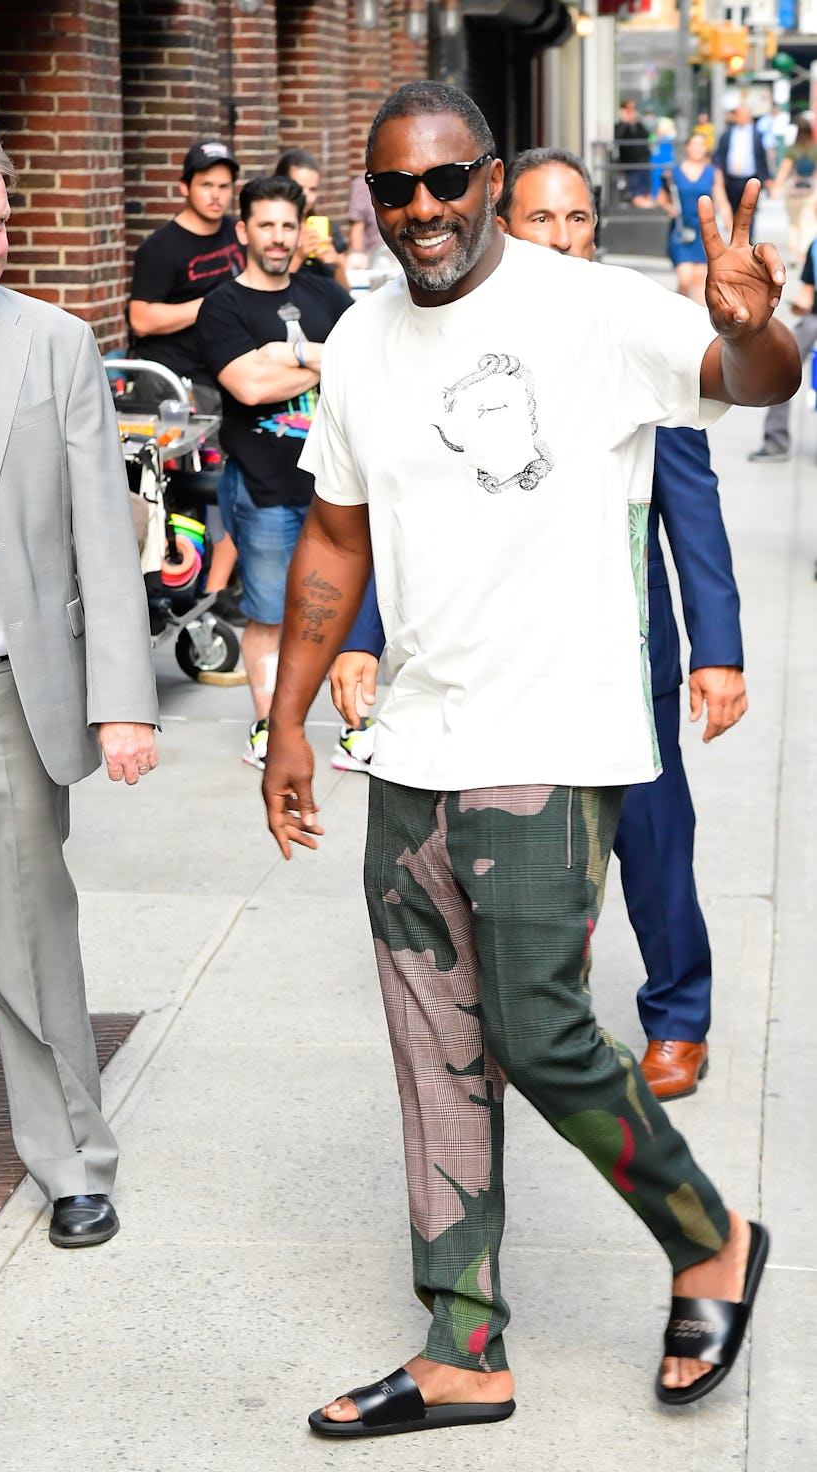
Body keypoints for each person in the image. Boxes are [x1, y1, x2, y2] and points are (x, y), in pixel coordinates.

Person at [263, 81, 798, 1436]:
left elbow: (742, 380)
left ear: (491, 180)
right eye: (396, 190)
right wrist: (284, 719)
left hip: (553, 743)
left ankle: (712, 1240)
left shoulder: (590, 309)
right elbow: (334, 533)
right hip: (415, 748)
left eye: (448, 182)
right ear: (369, 204)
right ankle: (463, 1346)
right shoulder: (361, 337)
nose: (424, 210)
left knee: (542, 1032)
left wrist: (761, 328)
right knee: (432, 1046)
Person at [332, 145, 747, 1103]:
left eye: (578, 220)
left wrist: (716, 652)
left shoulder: (632, 330)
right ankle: (539, 1018)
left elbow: (695, 506)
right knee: (520, 873)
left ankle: (678, 1016)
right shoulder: (432, 336)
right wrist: (360, 637)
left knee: (652, 849)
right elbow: (395, 515)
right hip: (490, 674)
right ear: (502, 225)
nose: (561, 237)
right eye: (540, 221)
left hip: (615, 656)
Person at [0, 136, 159, 1248]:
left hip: (8, 687)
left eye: (0, 217)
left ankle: (70, 1157)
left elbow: (105, 526)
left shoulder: (53, 344)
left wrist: (125, 696)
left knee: (25, 929)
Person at [195, 175, 351, 768]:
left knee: (339, 610)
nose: (278, 237)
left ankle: (354, 728)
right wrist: (320, 357)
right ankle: (269, 727)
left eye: (288, 225)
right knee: (268, 612)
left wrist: (284, 354)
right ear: (244, 231)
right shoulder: (223, 305)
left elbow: (361, 362)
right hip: (262, 490)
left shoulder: (326, 295)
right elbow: (247, 385)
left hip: (335, 485)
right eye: (266, 224)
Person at [129, 139, 245, 603]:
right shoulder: (162, 247)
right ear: (184, 188)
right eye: (206, 185)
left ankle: (223, 585)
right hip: (179, 386)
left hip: (229, 374)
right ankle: (192, 589)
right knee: (196, 491)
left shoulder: (236, 232)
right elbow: (141, 318)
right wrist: (210, 306)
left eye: (224, 186)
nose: (217, 195)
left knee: (236, 480)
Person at [748, 231, 817, 462]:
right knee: (782, 366)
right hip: (814, 319)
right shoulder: (815, 245)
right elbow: (808, 291)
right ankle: (775, 441)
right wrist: (799, 304)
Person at [657, 133, 730, 305]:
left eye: (701, 145)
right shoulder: (673, 172)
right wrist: (669, 208)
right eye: (694, 144)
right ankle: (677, 313)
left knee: (700, 281)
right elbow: (661, 198)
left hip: (704, 231)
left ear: (706, 149)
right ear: (687, 147)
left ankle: (700, 326)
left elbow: (723, 202)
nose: (697, 148)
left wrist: (732, 230)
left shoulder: (713, 172)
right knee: (685, 279)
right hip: (681, 230)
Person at [273, 148, 350, 292]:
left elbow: (345, 294)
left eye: (313, 189)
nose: (307, 197)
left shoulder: (328, 228)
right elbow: (270, 291)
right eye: (299, 188)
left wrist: (338, 264)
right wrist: (298, 256)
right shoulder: (273, 231)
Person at [713, 103, 770, 243]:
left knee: (750, 211)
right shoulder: (727, 135)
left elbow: (762, 157)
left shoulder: (757, 135)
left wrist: (767, 178)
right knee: (733, 211)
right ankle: (735, 241)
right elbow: (719, 155)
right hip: (731, 180)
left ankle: (748, 243)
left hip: (751, 178)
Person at [770, 115, 817, 266]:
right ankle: (804, 253)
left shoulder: (792, 149)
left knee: (793, 223)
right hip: (810, 190)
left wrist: (777, 186)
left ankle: (793, 253)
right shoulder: (814, 149)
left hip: (793, 191)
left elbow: (785, 168)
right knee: (808, 222)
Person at [613, 98, 653, 206]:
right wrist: (625, 123)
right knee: (636, 193)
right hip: (631, 163)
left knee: (646, 191)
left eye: (633, 109)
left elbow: (646, 135)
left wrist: (635, 122)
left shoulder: (638, 125)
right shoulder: (619, 126)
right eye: (629, 109)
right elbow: (618, 138)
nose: (632, 112)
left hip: (643, 161)